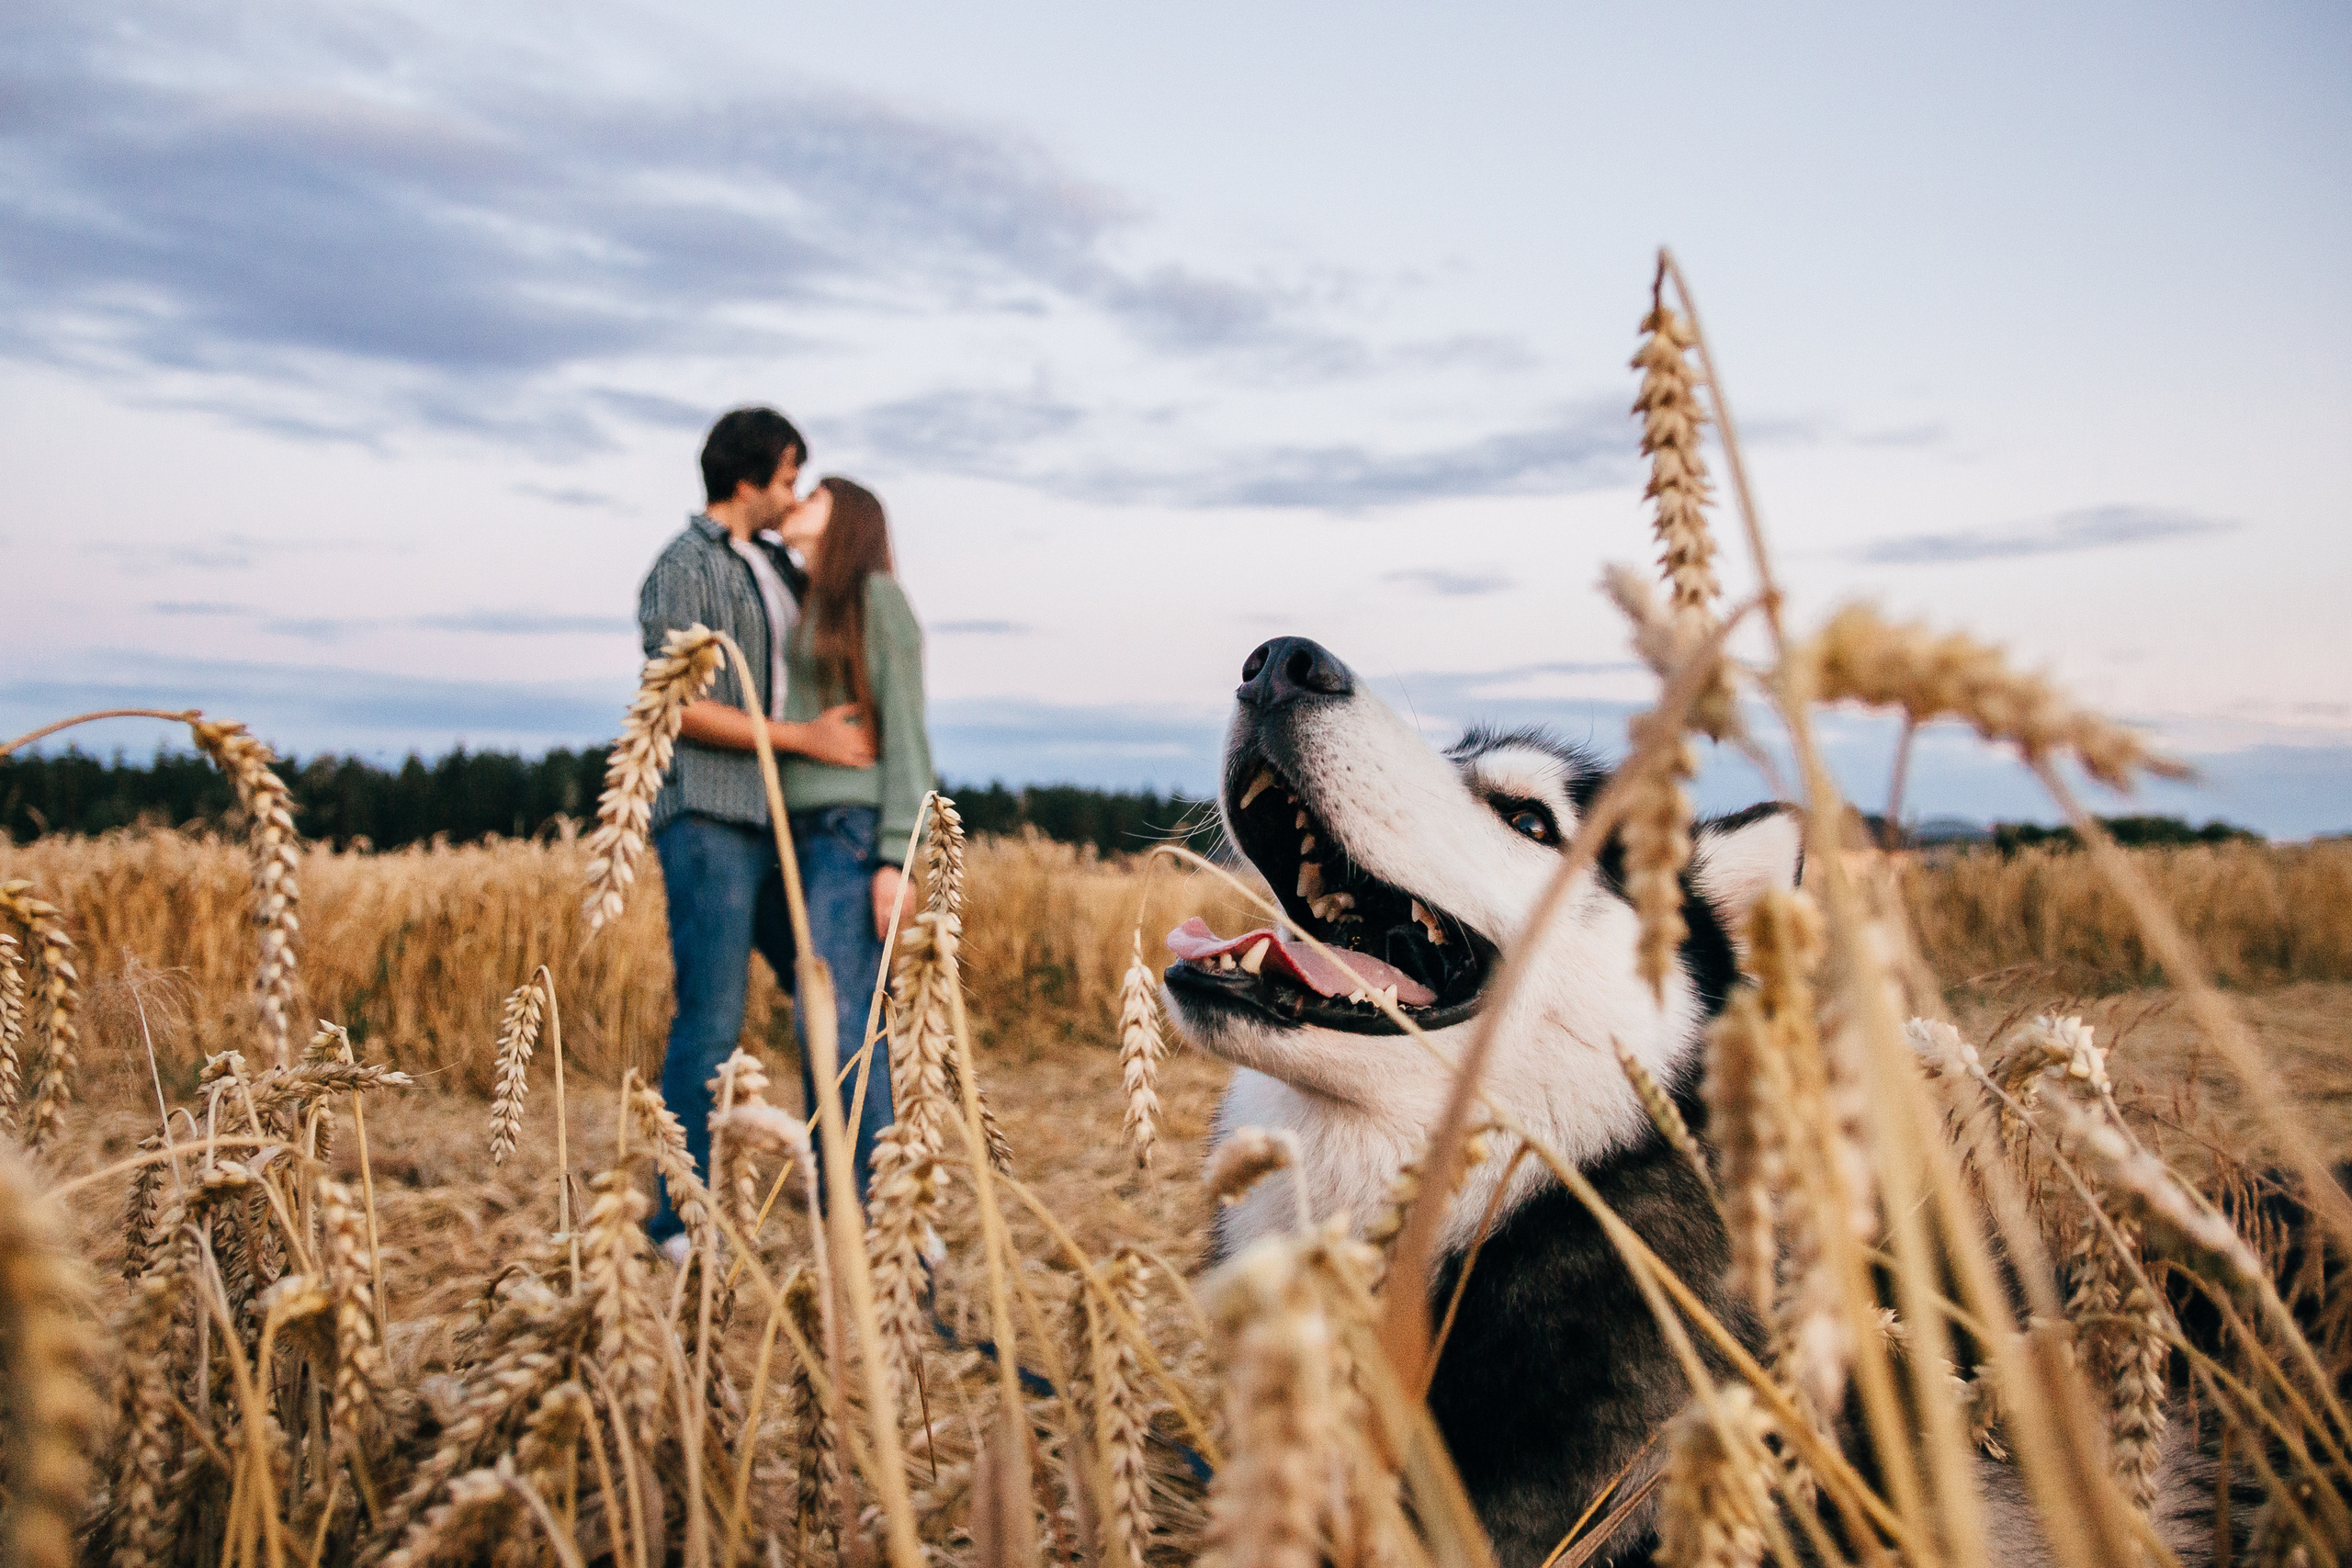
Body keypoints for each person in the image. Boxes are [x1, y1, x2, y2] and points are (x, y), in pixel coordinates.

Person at [638, 408, 877, 1261]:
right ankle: (679, 1220)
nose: (792, 493)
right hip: (711, 815)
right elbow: (679, 701)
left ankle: (863, 1209)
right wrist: (805, 739)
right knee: (713, 1014)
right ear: (746, 479)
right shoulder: (684, 565)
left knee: (833, 1005)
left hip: (784, 820)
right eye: (785, 477)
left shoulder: (772, 563)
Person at [768, 474, 933, 1202]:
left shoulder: (877, 598)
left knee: (836, 1023)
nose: (796, 501)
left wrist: (896, 854)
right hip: (793, 833)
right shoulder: (803, 597)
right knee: (824, 1020)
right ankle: (848, 1195)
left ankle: (879, 1212)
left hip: (849, 830)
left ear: (849, 520)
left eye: (813, 495)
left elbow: (907, 729)